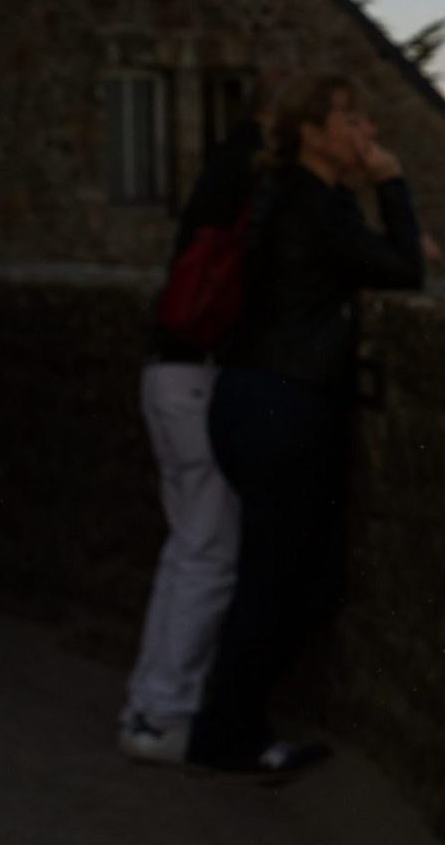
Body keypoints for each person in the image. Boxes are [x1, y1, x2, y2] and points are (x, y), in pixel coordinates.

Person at [185, 74, 425, 776]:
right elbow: (405, 269)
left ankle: (232, 727)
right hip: (281, 406)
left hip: (257, 398)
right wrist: (394, 184)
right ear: (313, 133)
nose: (368, 136)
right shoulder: (311, 205)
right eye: (353, 121)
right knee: (277, 580)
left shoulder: (296, 199)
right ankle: (228, 736)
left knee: (286, 577)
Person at [118, 81, 275, 764]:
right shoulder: (249, 179)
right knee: (207, 553)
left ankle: (150, 706)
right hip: (193, 379)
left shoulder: (221, 171)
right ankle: (159, 714)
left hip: (168, 374)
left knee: (188, 551)